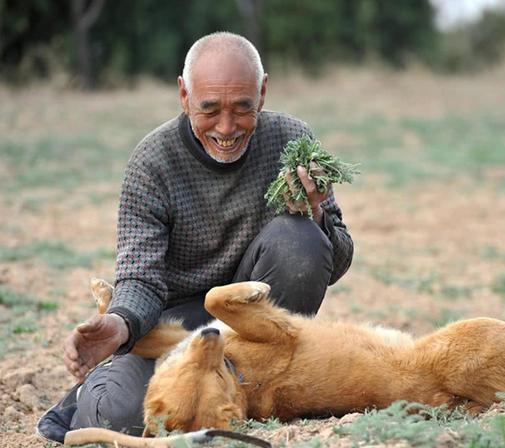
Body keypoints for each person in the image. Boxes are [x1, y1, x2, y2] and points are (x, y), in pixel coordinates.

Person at [36, 31, 353, 443]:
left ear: (263, 92)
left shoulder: (291, 139)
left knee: (301, 241)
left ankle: (255, 384)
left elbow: (336, 260)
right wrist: (118, 323)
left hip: (252, 326)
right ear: (184, 95)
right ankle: (98, 388)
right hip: (172, 327)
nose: (227, 127)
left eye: (243, 107)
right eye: (210, 109)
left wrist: (315, 214)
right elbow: (141, 278)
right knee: (115, 414)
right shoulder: (152, 163)